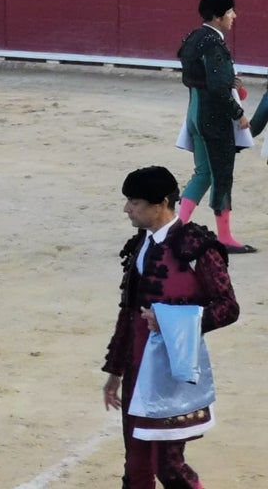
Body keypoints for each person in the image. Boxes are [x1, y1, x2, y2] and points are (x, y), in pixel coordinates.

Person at [102, 166, 240, 489]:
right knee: (135, 464)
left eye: (134, 202)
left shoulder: (196, 247)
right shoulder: (140, 246)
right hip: (137, 371)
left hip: (172, 372)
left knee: (169, 466)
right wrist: (115, 371)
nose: (127, 209)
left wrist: (169, 321)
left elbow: (228, 307)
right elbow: (128, 314)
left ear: (161, 203)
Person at [176, 0, 255, 253]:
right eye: (230, 12)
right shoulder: (214, 45)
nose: (234, 17)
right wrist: (238, 113)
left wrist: (228, 80)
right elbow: (218, 88)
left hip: (194, 112)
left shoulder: (193, 37)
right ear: (217, 17)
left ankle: (175, 229)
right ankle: (225, 237)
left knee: (203, 173)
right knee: (221, 175)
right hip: (214, 118)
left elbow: (196, 75)